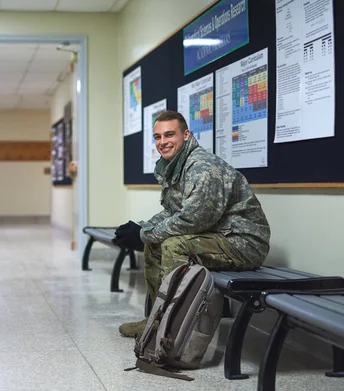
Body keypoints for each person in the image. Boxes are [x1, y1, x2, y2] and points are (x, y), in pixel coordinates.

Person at [113, 110, 271, 338]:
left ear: (186, 134)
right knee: (155, 244)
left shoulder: (202, 168)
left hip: (242, 243)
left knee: (173, 245)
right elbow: (173, 211)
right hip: (217, 237)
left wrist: (144, 234)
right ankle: (158, 320)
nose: (163, 142)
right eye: (158, 137)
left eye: (169, 135)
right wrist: (143, 229)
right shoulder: (176, 164)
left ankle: (174, 329)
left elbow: (192, 220)